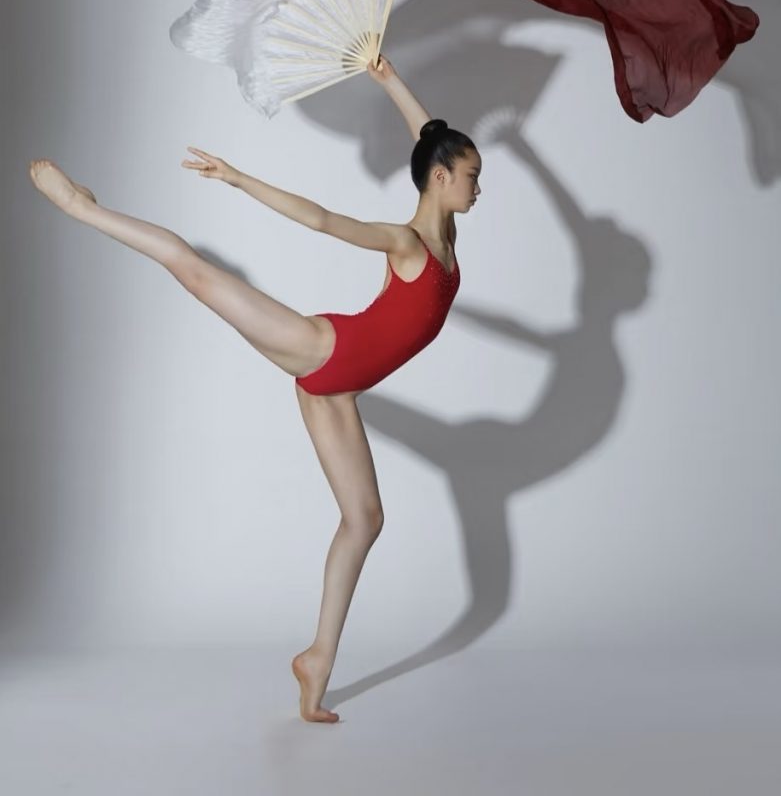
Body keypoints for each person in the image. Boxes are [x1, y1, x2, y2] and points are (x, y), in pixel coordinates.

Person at [27, 54, 482, 724]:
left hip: (334, 391)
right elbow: (324, 220)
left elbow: (430, 135)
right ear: (440, 181)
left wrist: (386, 78)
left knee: (364, 520)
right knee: (197, 271)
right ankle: (82, 208)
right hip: (321, 350)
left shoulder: (445, 234)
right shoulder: (408, 242)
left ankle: (316, 660)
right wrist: (239, 179)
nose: (478, 187)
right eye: (470, 177)